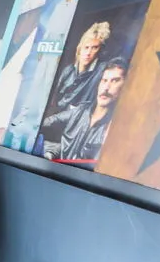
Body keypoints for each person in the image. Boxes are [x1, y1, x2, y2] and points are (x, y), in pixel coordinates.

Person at [39, 20, 112, 153]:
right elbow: (53, 100)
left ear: (100, 50)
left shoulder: (101, 71)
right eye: (86, 47)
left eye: (95, 47)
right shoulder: (67, 71)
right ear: (80, 48)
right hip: (56, 124)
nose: (89, 52)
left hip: (78, 127)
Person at [53, 57, 128, 163]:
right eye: (104, 80)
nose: (106, 87)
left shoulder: (118, 128)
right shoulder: (81, 110)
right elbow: (47, 123)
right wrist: (51, 151)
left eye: (115, 81)